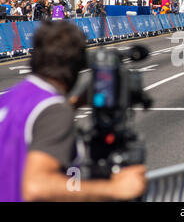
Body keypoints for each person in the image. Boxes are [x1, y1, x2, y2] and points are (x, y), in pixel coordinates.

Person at [0, 21, 147, 201]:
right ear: (78, 66)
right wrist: (114, 189)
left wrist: (74, 104)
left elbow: (32, 124)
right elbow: (36, 186)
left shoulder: (8, 99)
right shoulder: (54, 111)